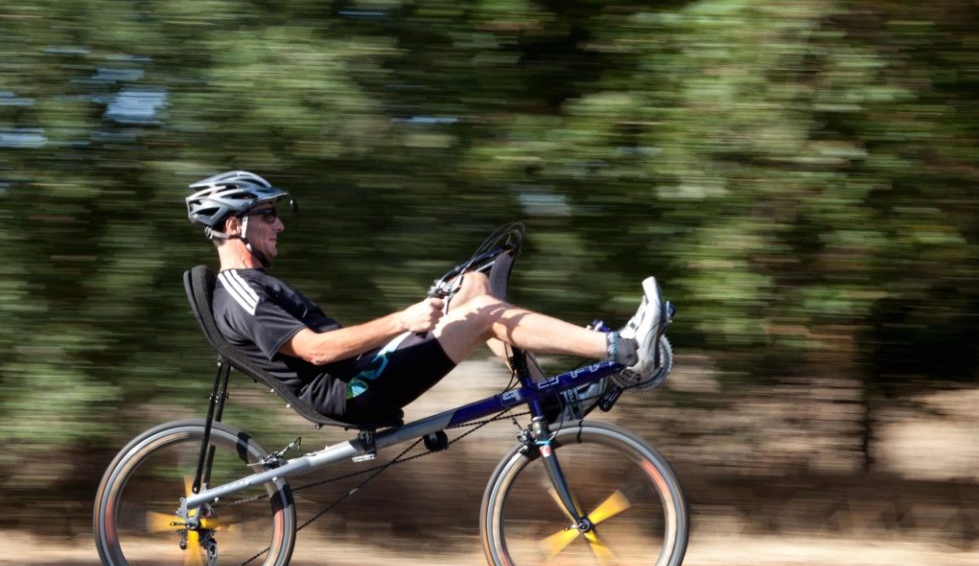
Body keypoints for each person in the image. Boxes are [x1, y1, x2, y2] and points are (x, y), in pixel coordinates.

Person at [185, 170, 667, 425]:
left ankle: (548, 398)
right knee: (481, 314)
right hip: (351, 391)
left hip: (361, 372)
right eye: (268, 215)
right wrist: (405, 319)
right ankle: (622, 350)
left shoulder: (251, 285)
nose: (279, 224)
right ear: (234, 226)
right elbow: (315, 350)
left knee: (474, 285)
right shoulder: (240, 292)